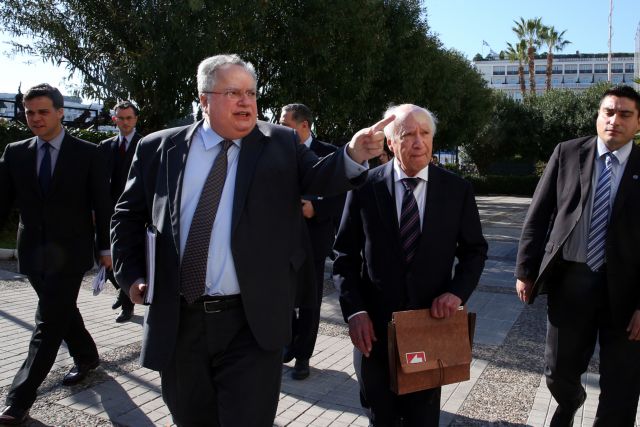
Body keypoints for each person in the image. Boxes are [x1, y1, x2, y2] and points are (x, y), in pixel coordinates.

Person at [110, 54, 391, 426]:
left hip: (251, 322)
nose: (246, 102)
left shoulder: (280, 143)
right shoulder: (159, 148)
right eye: (233, 93)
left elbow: (320, 177)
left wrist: (354, 153)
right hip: (180, 322)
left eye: (251, 93)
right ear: (204, 99)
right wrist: (130, 276)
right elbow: (126, 217)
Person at [333, 104, 487, 426]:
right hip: (374, 332)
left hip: (429, 326)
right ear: (391, 142)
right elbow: (344, 255)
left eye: (425, 133)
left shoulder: (456, 190)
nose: (419, 142)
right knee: (381, 417)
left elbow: (474, 251)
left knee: (423, 419)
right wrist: (355, 312)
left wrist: (457, 293)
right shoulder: (365, 186)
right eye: (408, 135)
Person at [515, 85, 640, 427]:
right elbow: (539, 213)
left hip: (627, 290)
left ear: (638, 123)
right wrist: (525, 270)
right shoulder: (568, 153)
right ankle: (571, 400)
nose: (614, 120)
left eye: (625, 114)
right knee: (558, 369)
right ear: (598, 116)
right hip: (571, 280)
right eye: (608, 112)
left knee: (623, 380)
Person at [0, 84, 111, 425]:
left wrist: (106, 248)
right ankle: (87, 355)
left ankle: (19, 400)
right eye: (29, 112)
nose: (35, 118)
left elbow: (102, 205)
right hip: (32, 251)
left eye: (43, 112)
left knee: (47, 323)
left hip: (71, 252)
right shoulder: (15, 152)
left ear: (61, 112)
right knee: (60, 311)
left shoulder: (88, 153)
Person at [279, 103, 345, 380]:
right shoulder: (276, 151)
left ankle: (303, 356)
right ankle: (288, 343)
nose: (280, 129)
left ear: (303, 125)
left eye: (286, 125)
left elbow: (341, 195)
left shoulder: (329, 153)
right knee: (282, 297)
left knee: (309, 301)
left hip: (314, 240)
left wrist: (315, 209)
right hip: (281, 239)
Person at [97, 100, 142, 323]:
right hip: (109, 210)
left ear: (135, 119)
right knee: (106, 256)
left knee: (126, 255)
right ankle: (121, 288)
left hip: (135, 211)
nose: (125, 122)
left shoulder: (146, 144)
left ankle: (127, 306)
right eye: (121, 118)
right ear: (114, 120)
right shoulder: (105, 146)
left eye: (129, 118)